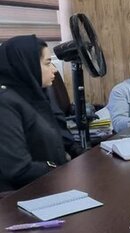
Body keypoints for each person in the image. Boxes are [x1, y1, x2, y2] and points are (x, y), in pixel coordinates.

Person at [0, 35, 83, 193]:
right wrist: (59, 169)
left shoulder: (37, 93)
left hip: (51, 183)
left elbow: (58, 134)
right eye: (47, 63)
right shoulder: (5, 103)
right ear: (26, 65)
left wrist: (78, 153)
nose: (54, 69)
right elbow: (19, 169)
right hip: (21, 195)